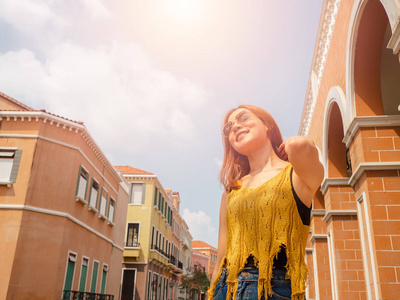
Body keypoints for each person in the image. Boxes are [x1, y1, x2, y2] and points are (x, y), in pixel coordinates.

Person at [208, 105, 324, 300]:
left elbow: (301, 145)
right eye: (229, 128)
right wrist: (212, 293)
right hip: (226, 287)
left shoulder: (296, 175)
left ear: (267, 124)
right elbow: (222, 257)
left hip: (276, 287)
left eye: (243, 118)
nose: (235, 126)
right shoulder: (232, 191)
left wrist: (289, 145)